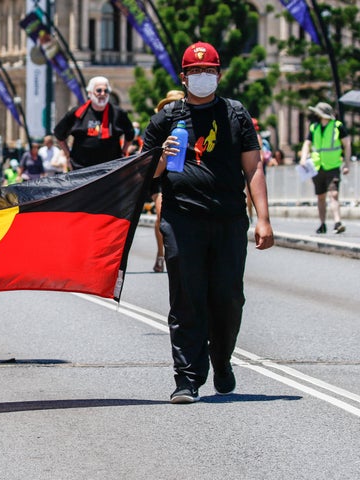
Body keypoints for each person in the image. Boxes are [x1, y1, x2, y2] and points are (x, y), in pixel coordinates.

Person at [142, 41, 274, 404]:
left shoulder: (235, 114)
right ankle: (187, 379)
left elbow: (253, 167)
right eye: (196, 72)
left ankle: (222, 359)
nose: (203, 77)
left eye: (209, 71)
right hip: (181, 219)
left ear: (219, 75)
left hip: (229, 219)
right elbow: (145, 174)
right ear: (183, 78)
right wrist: (161, 156)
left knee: (229, 298)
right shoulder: (166, 119)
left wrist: (263, 218)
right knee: (187, 298)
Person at [53, 76, 135, 170]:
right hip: (81, 169)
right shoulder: (77, 112)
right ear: (90, 93)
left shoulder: (118, 113)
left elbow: (130, 134)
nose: (103, 94)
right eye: (99, 90)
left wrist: (124, 152)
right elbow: (59, 134)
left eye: (106, 91)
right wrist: (68, 155)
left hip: (111, 170)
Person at [299, 102, 351, 234]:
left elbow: (347, 144)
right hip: (317, 166)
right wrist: (303, 158)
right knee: (320, 196)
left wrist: (347, 163)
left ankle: (337, 222)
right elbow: (307, 144)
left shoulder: (337, 126)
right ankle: (322, 224)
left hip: (333, 165)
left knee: (334, 194)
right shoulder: (314, 127)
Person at [150, 90, 185, 273]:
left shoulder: (188, 126)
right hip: (160, 178)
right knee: (160, 214)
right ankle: (161, 253)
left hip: (182, 177)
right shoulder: (158, 124)